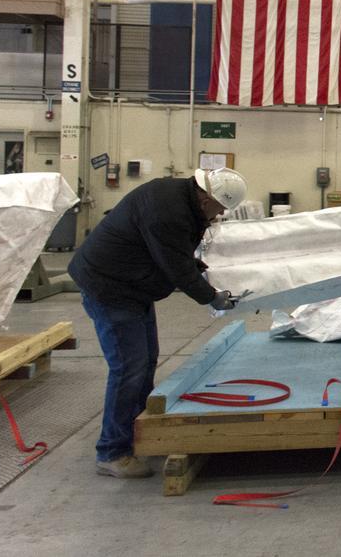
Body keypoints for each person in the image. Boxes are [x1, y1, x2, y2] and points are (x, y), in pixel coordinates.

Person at [69, 167, 247, 478]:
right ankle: (112, 451)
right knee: (129, 367)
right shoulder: (169, 211)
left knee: (146, 360)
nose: (219, 215)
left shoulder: (179, 198)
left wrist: (196, 266)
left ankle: (141, 434)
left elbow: (170, 250)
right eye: (219, 208)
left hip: (131, 285)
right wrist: (211, 296)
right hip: (110, 287)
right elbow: (176, 267)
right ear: (206, 199)